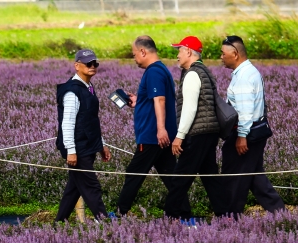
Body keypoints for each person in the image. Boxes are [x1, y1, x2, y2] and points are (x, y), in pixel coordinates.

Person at [116, 36, 189, 217]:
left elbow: (160, 100)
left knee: (134, 173)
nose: (134, 58)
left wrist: (160, 129)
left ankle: (120, 213)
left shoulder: (154, 72)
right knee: (171, 177)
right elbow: (154, 99)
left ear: (143, 51)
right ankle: (185, 215)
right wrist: (138, 101)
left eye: (134, 54)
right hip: (160, 136)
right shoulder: (161, 69)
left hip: (152, 136)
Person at [164, 36, 228, 222]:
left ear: (188, 51)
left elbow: (190, 108)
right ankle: (226, 216)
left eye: (179, 50)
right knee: (210, 177)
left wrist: (180, 136)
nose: (177, 55)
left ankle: (171, 217)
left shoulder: (192, 74)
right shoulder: (204, 71)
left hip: (197, 133)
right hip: (209, 131)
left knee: (180, 177)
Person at [220, 35, 285, 216]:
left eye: (223, 53)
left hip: (246, 134)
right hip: (254, 132)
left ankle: (231, 217)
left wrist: (241, 137)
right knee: (256, 178)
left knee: (234, 177)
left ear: (235, 54)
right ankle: (279, 212)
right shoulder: (248, 72)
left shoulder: (244, 77)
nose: (221, 57)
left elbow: (245, 111)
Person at [55, 49, 111, 223]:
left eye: (95, 63)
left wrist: (101, 145)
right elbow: (67, 123)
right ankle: (104, 222)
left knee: (74, 189)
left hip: (88, 145)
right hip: (78, 148)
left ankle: (59, 223)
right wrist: (71, 150)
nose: (92, 66)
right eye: (88, 64)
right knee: (91, 186)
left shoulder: (88, 87)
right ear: (77, 66)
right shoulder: (72, 91)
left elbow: (91, 121)